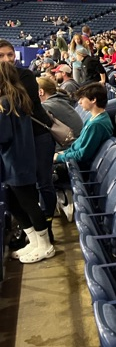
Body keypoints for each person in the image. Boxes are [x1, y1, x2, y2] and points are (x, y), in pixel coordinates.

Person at [0, 62, 56, 264]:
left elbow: (3, 135)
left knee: (28, 202)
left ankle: (45, 246)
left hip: (16, 159)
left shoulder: (5, 102)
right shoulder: (15, 98)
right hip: (19, 157)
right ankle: (35, 241)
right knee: (16, 202)